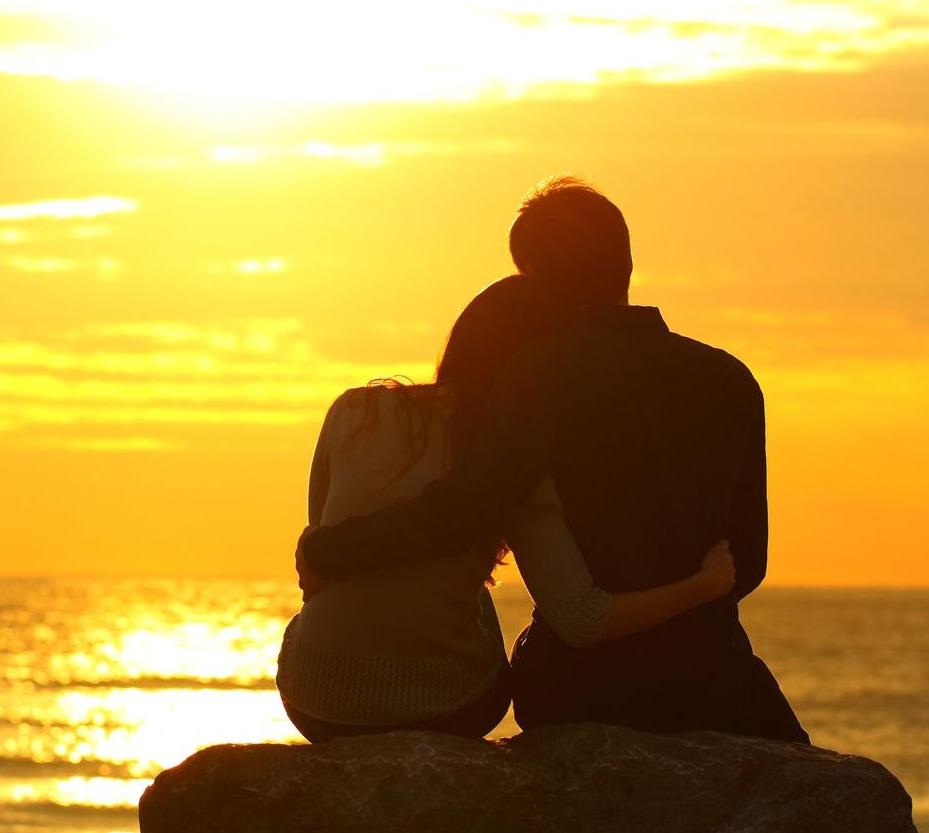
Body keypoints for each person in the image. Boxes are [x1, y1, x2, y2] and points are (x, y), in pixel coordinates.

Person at [296, 178, 809, 744]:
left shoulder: (535, 375)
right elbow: (749, 563)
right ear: (627, 262)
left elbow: (462, 511)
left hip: (584, 684)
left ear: (535, 279)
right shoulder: (729, 378)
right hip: (712, 673)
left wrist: (327, 548)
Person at [276, 274, 739, 743]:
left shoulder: (356, 412)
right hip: (445, 708)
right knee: (477, 600)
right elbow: (580, 619)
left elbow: (317, 572)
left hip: (316, 700)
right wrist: (703, 586)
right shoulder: (514, 465)